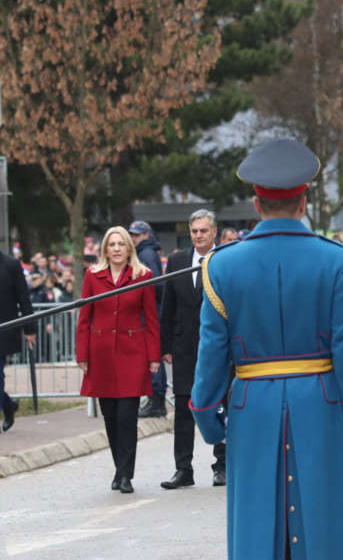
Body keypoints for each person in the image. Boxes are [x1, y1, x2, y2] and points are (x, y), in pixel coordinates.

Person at [191, 138, 343, 559]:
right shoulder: (334, 259)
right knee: (324, 522)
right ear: (304, 202)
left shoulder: (220, 264)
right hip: (321, 402)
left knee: (256, 524)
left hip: (250, 406)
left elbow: (211, 354)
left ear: (256, 205)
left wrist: (206, 417)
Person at [76, 227, 160, 493]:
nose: (116, 249)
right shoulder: (92, 276)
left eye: (121, 244)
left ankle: (126, 475)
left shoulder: (142, 275)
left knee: (127, 416)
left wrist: (154, 356)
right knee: (110, 417)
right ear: (104, 249)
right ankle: (119, 468)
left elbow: (152, 319)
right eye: (111, 244)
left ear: (128, 248)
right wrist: (82, 355)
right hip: (100, 353)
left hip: (132, 353)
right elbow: (84, 317)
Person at [159, 209, 226, 489]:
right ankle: (183, 468)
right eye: (194, 231)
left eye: (203, 230)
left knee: (219, 407)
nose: (198, 235)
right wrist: (165, 345)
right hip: (184, 346)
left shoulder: (225, 260)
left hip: (219, 349)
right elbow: (167, 306)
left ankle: (222, 465)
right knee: (185, 409)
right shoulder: (177, 261)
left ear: (214, 232)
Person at [129, 220, 167, 418]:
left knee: (152, 356)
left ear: (146, 235)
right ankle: (156, 399)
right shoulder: (146, 253)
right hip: (151, 311)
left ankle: (156, 400)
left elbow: (155, 285)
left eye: (137, 235)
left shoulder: (146, 254)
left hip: (150, 313)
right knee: (152, 355)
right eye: (132, 235)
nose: (133, 238)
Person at [1, 249, 36, 432]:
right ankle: (7, 405)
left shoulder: (10, 265)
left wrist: (29, 329)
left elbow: (24, 298)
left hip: (3, 332)